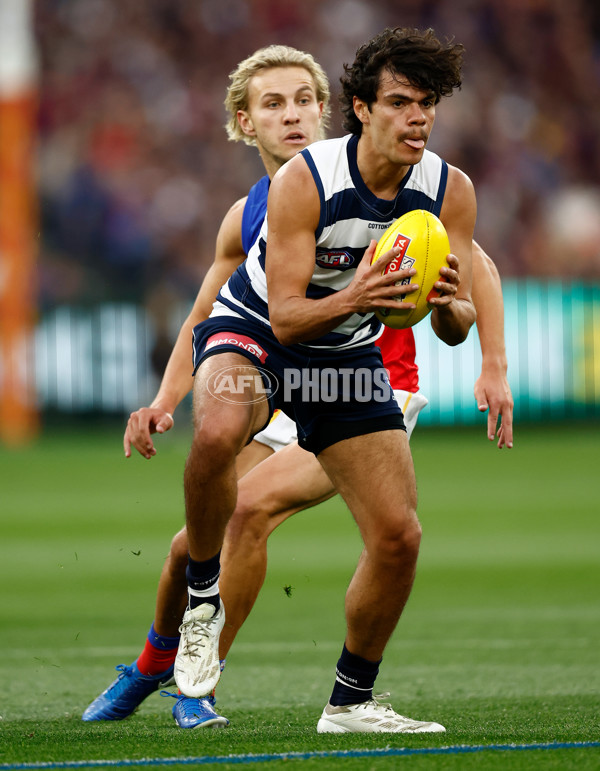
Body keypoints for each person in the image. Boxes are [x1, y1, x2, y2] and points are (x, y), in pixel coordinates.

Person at [82, 35, 513, 732]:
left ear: (327, 109)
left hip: (351, 365)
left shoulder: (442, 188)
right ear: (362, 109)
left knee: (395, 537)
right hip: (261, 337)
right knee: (215, 461)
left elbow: (465, 299)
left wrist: (456, 316)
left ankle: (348, 701)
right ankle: (183, 642)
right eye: (400, 103)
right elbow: (259, 315)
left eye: (427, 104)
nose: (417, 118)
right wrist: (166, 399)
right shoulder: (287, 191)